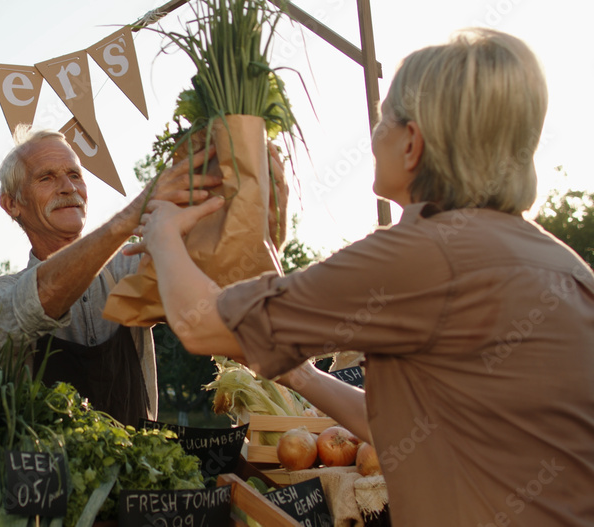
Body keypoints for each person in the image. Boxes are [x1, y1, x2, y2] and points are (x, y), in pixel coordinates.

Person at [127, 29, 594, 525]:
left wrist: (163, 236)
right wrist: (301, 375)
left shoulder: (422, 254)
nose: (373, 134)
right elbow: (415, 429)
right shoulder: (563, 265)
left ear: (412, 142)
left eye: (383, 119)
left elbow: (201, 325)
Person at [0, 126, 227, 427]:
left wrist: (234, 183)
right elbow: (27, 308)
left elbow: (213, 270)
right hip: (46, 470)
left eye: (75, 175)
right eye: (46, 178)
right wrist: (128, 218)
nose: (68, 187)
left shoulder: (127, 265)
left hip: (141, 466)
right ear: (12, 204)